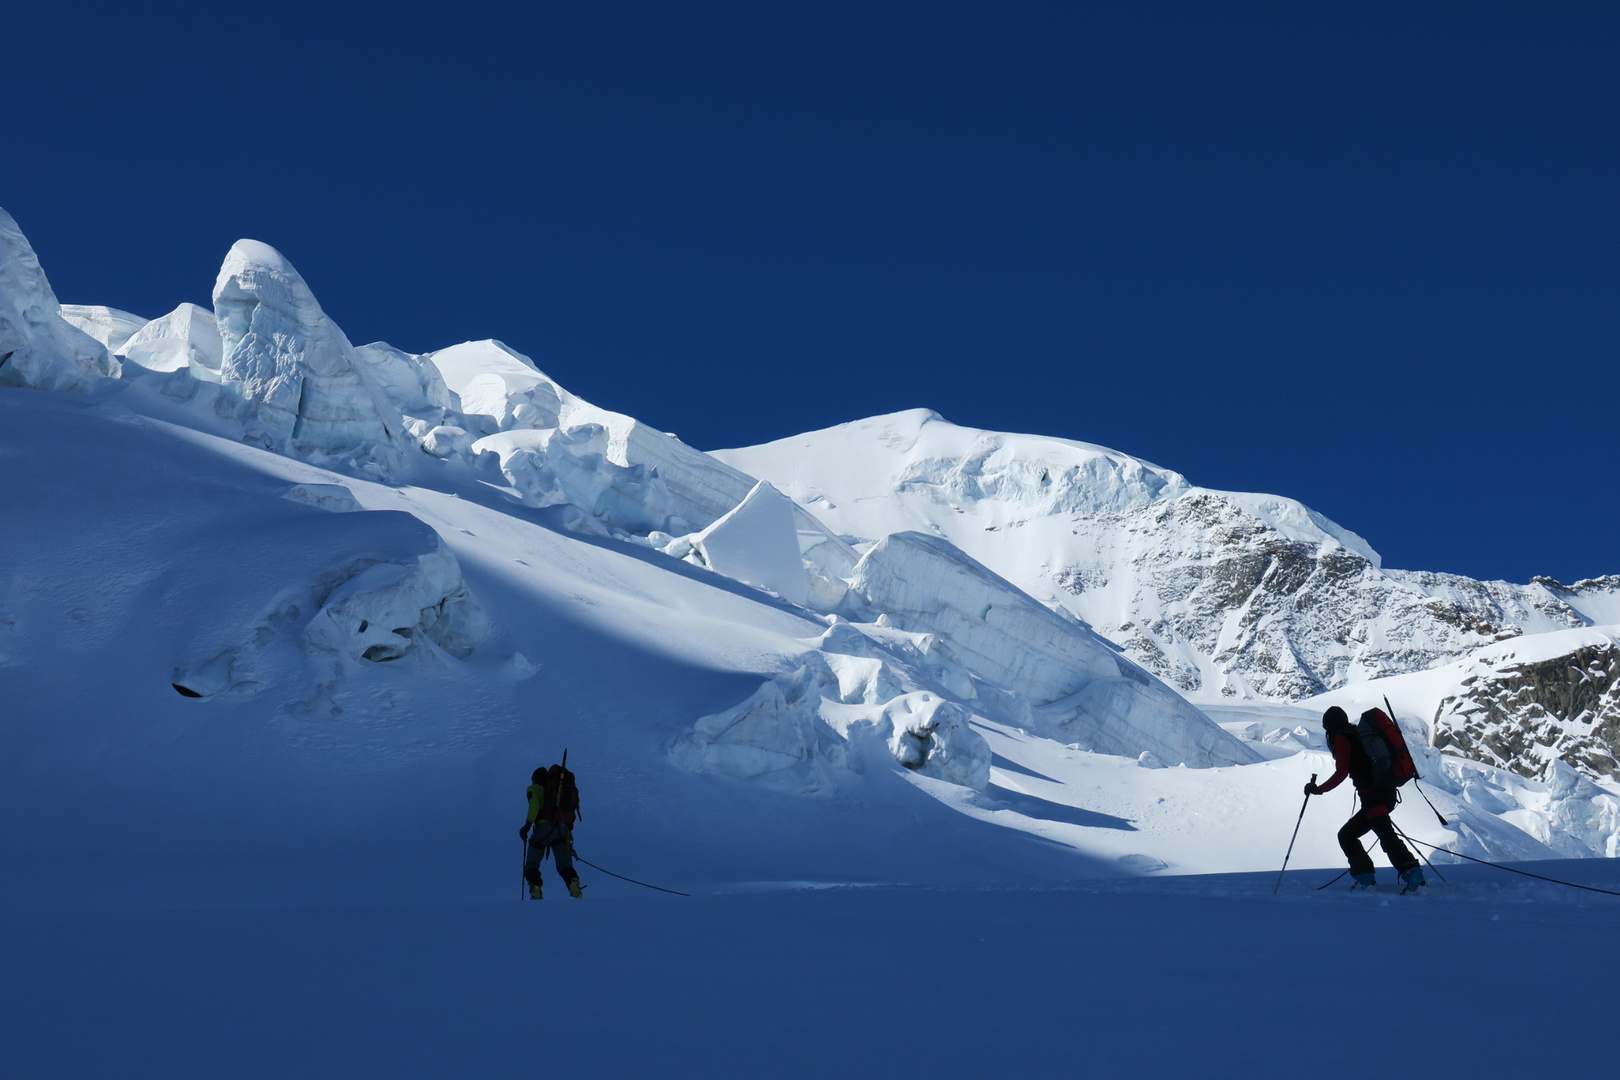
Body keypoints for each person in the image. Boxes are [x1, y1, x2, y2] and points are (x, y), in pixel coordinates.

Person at [1305, 706, 1426, 894]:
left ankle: (1407, 880)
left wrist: (1319, 789)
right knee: (1355, 835)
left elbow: (1342, 772)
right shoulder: (1357, 734)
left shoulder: (1342, 737)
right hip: (1386, 794)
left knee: (1382, 836)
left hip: (1373, 797)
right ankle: (1376, 878)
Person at [520, 762, 583, 899]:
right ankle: (574, 887)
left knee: (532, 863)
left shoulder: (534, 788)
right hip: (561, 829)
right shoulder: (558, 791)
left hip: (543, 829)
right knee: (564, 865)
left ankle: (536, 890)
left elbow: (534, 806)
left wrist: (527, 825)